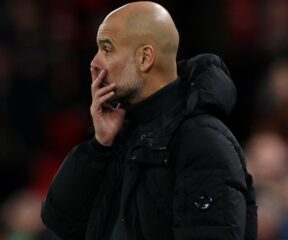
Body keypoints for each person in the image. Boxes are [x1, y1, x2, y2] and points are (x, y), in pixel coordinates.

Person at [41, 2, 257, 240]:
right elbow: (60, 222)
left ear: (145, 58)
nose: (94, 63)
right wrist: (98, 147)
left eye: (107, 49)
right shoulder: (121, 136)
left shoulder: (202, 143)